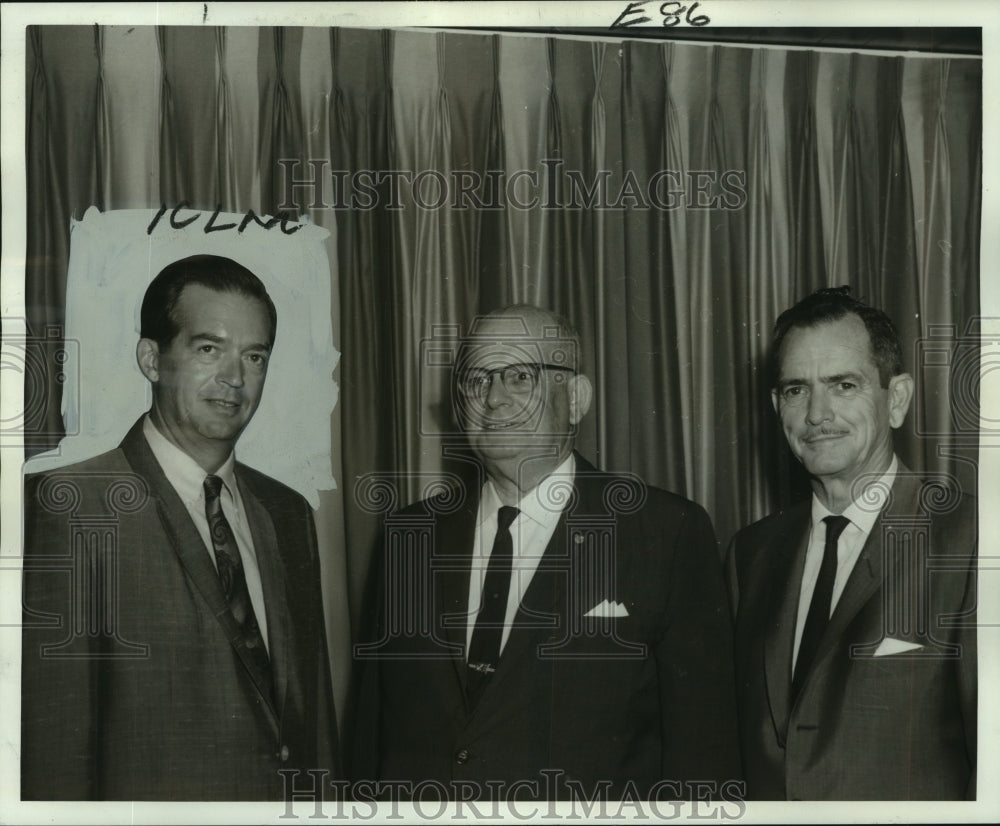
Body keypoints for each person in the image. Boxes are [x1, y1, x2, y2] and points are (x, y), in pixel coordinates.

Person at [351, 304, 741, 802]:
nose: (494, 398)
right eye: (476, 380)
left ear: (576, 399)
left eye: (520, 376)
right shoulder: (408, 536)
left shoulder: (666, 533)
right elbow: (370, 742)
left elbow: (704, 756)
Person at [21, 255, 338, 800]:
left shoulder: (287, 512)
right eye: (208, 349)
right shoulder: (70, 506)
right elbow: (53, 752)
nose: (234, 378)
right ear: (152, 359)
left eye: (254, 356)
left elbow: (316, 731)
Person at [727, 287, 977, 800]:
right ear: (777, 407)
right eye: (796, 390)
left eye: (843, 385)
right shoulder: (751, 553)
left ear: (897, 399)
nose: (817, 414)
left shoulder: (971, 538)